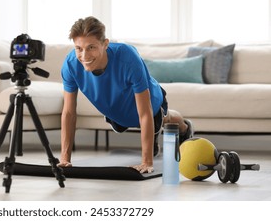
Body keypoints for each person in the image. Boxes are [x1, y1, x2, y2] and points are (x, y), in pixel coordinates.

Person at [58, 16, 194, 174]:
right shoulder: (70, 65)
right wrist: (65, 159)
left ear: (105, 44)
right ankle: (151, 136)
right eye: (78, 48)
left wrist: (147, 162)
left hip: (150, 104)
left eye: (91, 47)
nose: (84, 56)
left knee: (165, 118)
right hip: (118, 110)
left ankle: (185, 127)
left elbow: (145, 112)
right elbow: (68, 112)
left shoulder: (127, 57)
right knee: (144, 124)